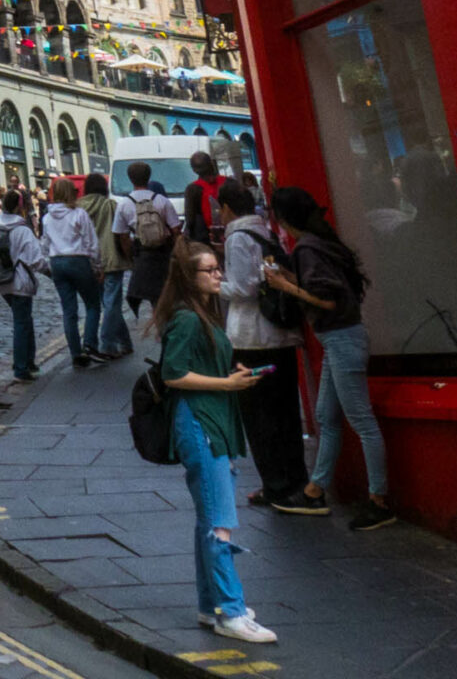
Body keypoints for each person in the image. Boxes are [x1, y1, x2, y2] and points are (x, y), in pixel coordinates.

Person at [152, 238, 278, 645]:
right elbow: (173, 374)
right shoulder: (188, 319)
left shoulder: (200, 315)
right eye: (211, 270)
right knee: (220, 522)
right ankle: (231, 612)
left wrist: (234, 372)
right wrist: (227, 383)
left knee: (209, 519)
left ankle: (210, 606)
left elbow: (200, 364)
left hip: (211, 421)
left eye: (218, 267)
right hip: (201, 424)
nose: (219, 274)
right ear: (191, 278)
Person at [266, 186, 391, 531]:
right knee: (326, 416)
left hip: (341, 338)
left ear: (285, 218)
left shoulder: (305, 248)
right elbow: (325, 290)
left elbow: (328, 300)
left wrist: (284, 286)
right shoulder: (319, 243)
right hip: (341, 338)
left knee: (361, 421)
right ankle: (315, 489)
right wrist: (287, 278)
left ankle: (379, 501)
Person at [214, 180, 320, 515]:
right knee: (285, 413)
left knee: (260, 417)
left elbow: (244, 287)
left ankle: (277, 485)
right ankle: (292, 480)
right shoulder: (267, 232)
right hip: (280, 335)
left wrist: (215, 284)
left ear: (227, 207)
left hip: (251, 339)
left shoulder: (236, 236)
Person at [41, 176, 103, 368]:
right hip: (78, 260)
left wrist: (48, 264)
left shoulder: (47, 217)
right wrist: (98, 266)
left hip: (57, 262)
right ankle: (90, 344)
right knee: (92, 304)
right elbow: (91, 242)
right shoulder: (78, 214)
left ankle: (75, 352)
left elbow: (44, 244)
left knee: (69, 310)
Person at [0, 188, 49, 382]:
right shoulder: (22, 230)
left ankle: (29, 361)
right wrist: (52, 273)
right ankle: (21, 367)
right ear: (20, 206)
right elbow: (37, 261)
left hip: (2, 282)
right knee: (22, 323)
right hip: (20, 281)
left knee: (24, 320)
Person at [81, 172, 133, 359]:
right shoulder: (111, 206)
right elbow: (122, 232)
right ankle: (108, 344)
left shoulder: (78, 208)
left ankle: (125, 342)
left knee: (108, 303)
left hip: (88, 262)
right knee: (111, 304)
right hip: (111, 260)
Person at [121, 161, 182, 316]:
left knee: (149, 294)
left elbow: (121, 235)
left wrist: (130, 257)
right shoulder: (161, 200)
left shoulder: (124, 204)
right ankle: (166, 323)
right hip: (163, 252)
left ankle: (158, 322)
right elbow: (175, 229)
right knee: (164, 293)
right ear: (148, 178)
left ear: (130, 179)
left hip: (142, 253)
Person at [181, 151, 222, 249]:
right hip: (227, 233)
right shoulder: (227, 183)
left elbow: (190, 218)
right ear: (211, 163)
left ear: (194, 170)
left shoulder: (192, 188)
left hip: (203, 237)